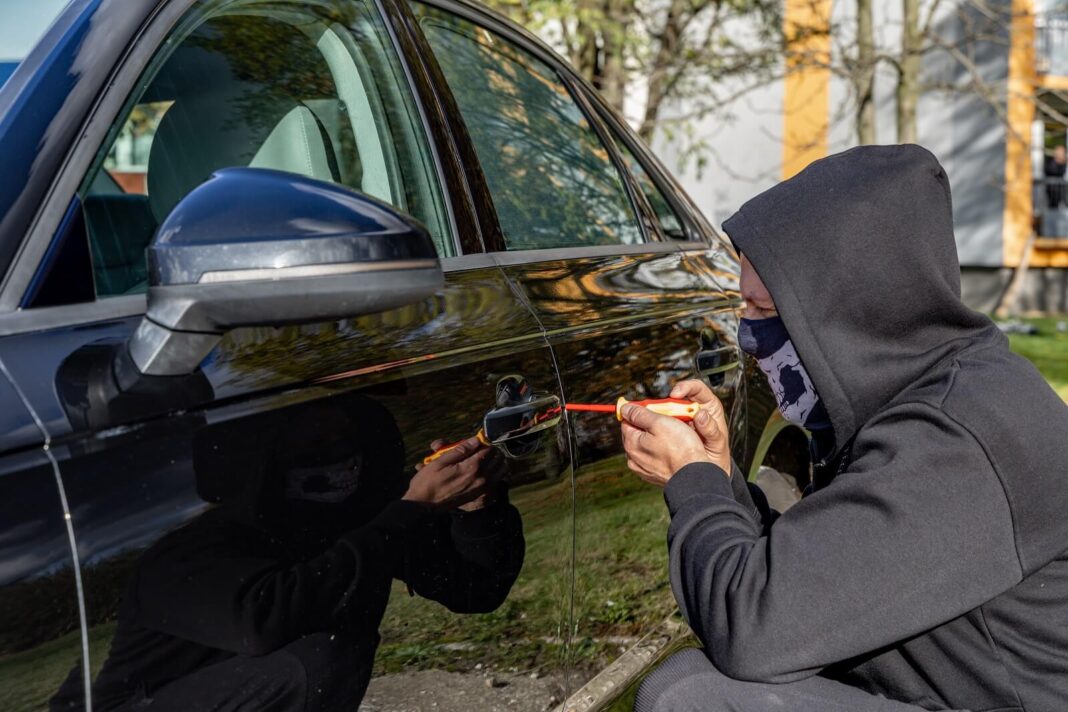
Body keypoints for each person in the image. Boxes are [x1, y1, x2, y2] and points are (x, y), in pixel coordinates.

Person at [620, 144, 1068, 711]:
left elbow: (753, 630)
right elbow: (820, 578)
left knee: (693, 697)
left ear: (849, 306)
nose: (748, 339)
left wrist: (692, 481)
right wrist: (721, 474)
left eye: (764, 312)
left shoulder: (960, 440)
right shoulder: (930, 392)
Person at [50, 395, 524, 711]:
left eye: (346, 440)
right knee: (321, 657)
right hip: (136, 704)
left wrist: (477, 506)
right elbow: (266, 619)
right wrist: (412, 509)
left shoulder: (349, 519)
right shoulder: (188, 548)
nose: (338, 455)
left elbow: (474, 588)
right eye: (315, 442)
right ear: (266, 457)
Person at [1045, 144, 1067, 209]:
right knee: (1053, 207)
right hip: (1053, 191)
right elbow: (1052, 171)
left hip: (1063, 190)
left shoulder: (1063, 163)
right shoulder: (1050, 163)